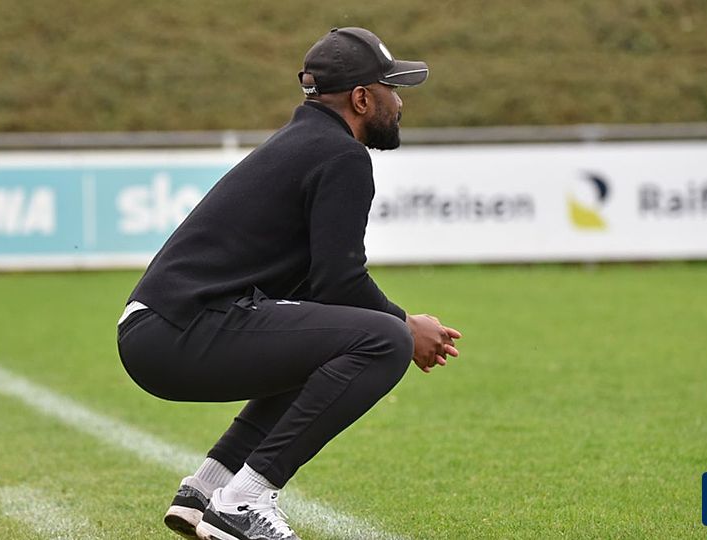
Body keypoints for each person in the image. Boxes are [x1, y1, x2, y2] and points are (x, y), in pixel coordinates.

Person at [116, 27, 462, 540]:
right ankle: (245, 501)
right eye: (391, 88)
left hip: (158, 330)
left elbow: (323, 292)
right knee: (384, 341)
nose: (399, 102)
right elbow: (341, 282)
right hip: (179, 330)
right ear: (362, 99)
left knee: (334, 341)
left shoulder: (303, 141)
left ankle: (208, 489)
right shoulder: (341, 155)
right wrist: (408, 326)